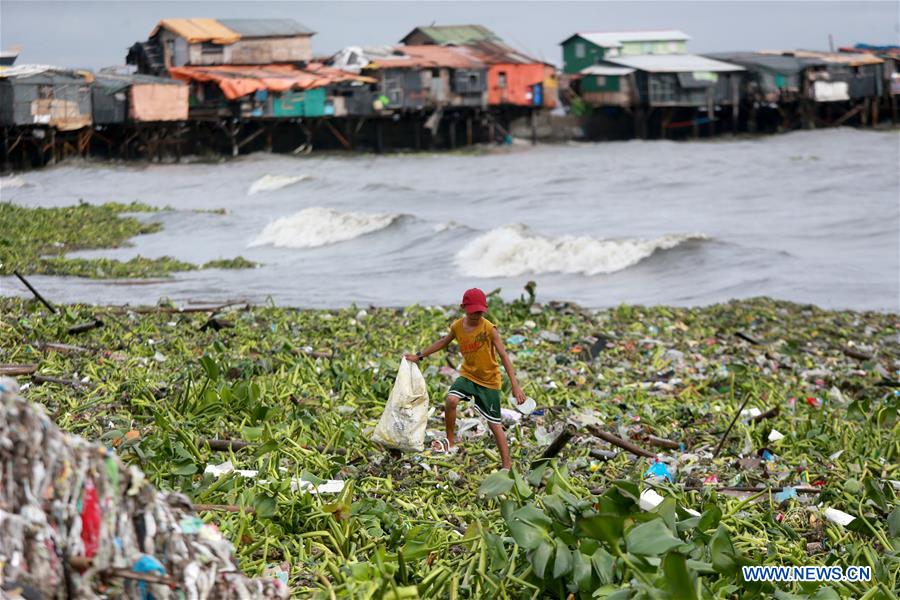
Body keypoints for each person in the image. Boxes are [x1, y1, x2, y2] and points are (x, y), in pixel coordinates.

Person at [405, 288, 526, 470]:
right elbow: (443, 342)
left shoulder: (489, 329)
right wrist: (419, 356)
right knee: (451, 400)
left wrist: (516, 386)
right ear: (464, 308)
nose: (477, 314)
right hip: (468, 375)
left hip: (489, 381)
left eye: (480, 311)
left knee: (494, 425)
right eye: (474, 311)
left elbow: (504, 356)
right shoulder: (457, 326)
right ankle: (451, 441)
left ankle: (507, 466)